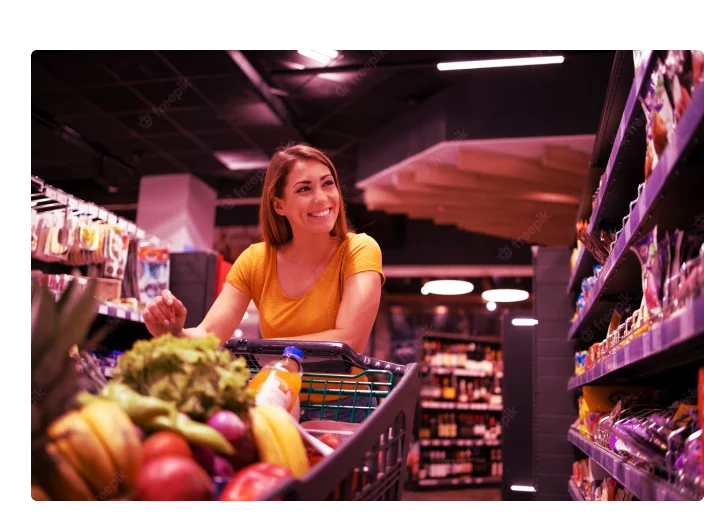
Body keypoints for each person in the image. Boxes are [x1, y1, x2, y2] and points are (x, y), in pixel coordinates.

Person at [142, 143, 385, 423]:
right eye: (304, 189)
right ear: (279, 205)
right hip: (275, 401)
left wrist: (256, 350)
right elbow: (209, 333)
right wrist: (175, 334)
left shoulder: (359, 249)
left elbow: (349, 340)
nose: (321, 198)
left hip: (345, 405)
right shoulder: (255, 260)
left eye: (327, 184)